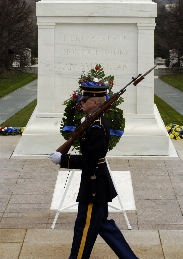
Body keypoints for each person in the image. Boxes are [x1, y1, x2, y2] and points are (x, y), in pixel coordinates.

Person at [50, 85, 139, 259]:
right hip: (96, 182)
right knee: (102, 225)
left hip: (94, 185)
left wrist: (64, 160)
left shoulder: (96, 127)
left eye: (85, 100)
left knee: (84, 227)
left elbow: (90, 162)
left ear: (95, 102)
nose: (81, 102)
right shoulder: (92, 120)